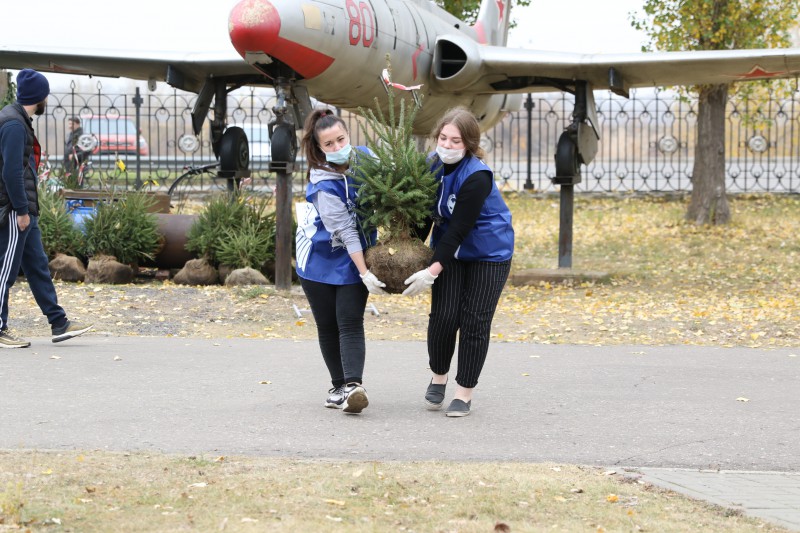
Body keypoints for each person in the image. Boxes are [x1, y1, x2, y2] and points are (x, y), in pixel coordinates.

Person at [403, 107, 514, 417]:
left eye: (455, 141)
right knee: (443, 316)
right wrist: (407, 253)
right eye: (443, 138)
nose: (447, 146)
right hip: (450, 250)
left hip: (488, 253)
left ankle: (464, 393)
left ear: (468, 144)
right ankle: (439, 376)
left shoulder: (476, 175)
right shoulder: (431, 166)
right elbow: (425, 217)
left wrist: (431, 271)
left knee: (474, 321)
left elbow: (459, 229)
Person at [296, 109, 386, 414]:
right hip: (318, 258)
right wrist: (365, 273)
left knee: (349, 320)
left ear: (348, 135)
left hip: (356, 254)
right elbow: (346, 231)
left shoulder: (367, 160)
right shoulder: (322, 183)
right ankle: (337, 387)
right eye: (329, 144)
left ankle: (353, 388)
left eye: (341, 139)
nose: (337, 148)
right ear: (319, 148)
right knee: (327, 324)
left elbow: (392, 189)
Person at [0, 69, 93, 348]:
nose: (47, 99)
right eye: (46, 95)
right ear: (39, 97)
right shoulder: (14, 124)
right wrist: (22, 209)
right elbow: (11, 173)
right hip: (15, 210)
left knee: (38, 265)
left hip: (25, 208)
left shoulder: (18, 119)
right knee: (5, 269)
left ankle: (58, 323)